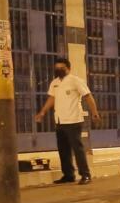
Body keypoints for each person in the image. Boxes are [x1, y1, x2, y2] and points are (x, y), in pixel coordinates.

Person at [35, 57, 100, 185]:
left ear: (68, 68)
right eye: (57, 68)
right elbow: (51, 99)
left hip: (73, 120)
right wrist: (42, 112)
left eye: (62, 68)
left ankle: (85, 175)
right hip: (59, 121)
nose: (59, 70)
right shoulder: (54, 83)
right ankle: (68, 175)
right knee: (63, 149)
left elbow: (88, 96)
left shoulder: (75, 81)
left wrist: (94, 112)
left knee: (77, 149)